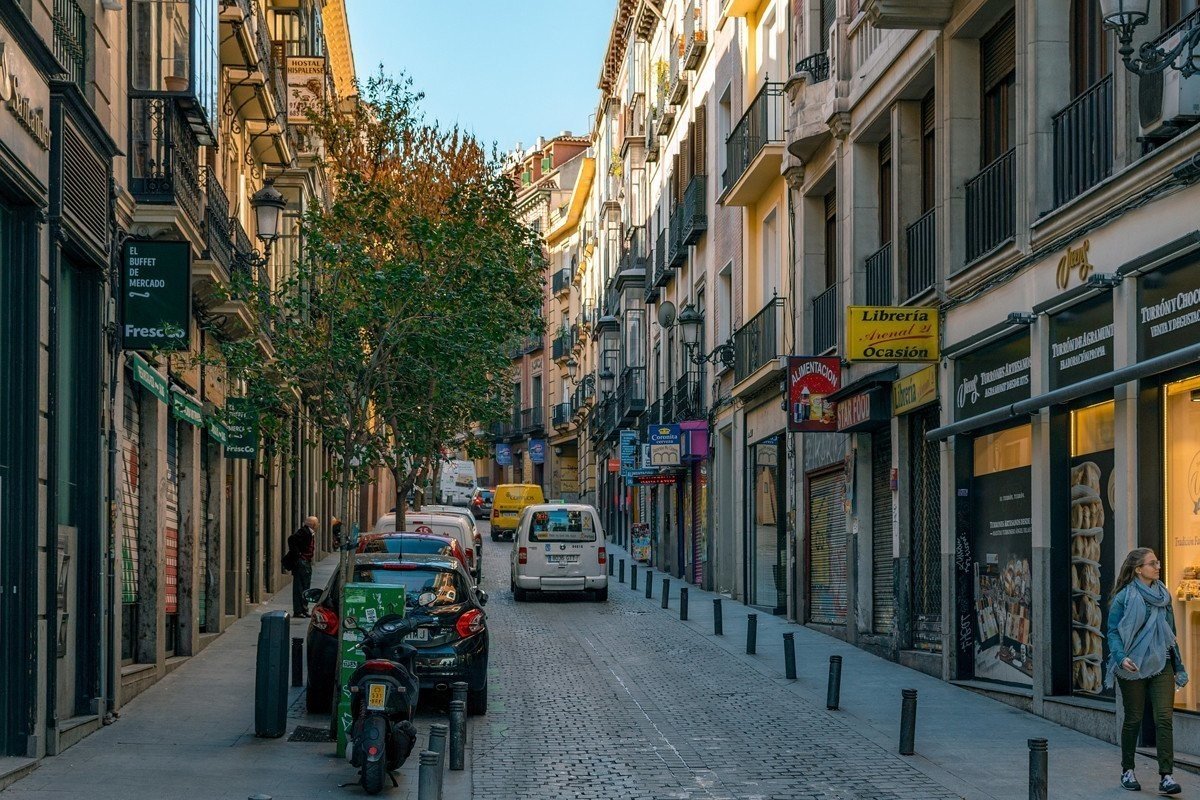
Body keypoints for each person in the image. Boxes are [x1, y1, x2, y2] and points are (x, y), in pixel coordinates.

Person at [1106, 547, 1188, 794]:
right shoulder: (1124, 598)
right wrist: (1121, 658)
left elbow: (1171, 634)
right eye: (1152, 563)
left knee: (1164, 718)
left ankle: (1166, 776)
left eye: (1158, 562)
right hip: (1132, 664)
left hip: (1161, 663)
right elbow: (1113, 632)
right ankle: (1127, 770)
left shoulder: (1164, 596)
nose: (1158, 567)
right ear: (1138, 569)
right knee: (1134, 718)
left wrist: (1178, 666)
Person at [289, 516, 318, 617]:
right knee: (299, 587)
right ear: (313, 525)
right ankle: (298, 610)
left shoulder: (309, 532)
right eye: (317, 523)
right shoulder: (304, 532)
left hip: (306, 561)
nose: (318, 525)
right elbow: (291, 539)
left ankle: (304, 608)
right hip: (302, 562)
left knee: (305, 586)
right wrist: (298, 554)